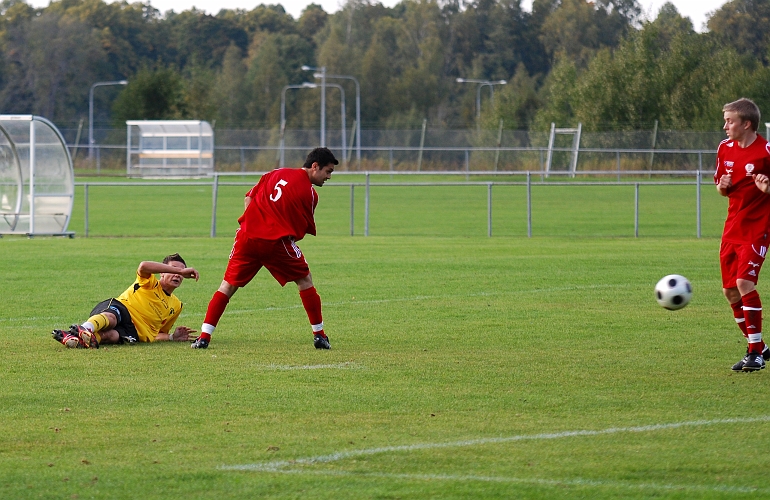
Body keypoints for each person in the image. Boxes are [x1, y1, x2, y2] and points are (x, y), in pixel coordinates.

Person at [191, 147, 338, 350]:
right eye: (328, 171)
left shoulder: (275, 173)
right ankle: (319, 335)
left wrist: (254, 224)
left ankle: (204, 337)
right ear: (315, 166)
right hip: (275, 242)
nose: (329, 177)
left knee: (227, 285)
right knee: (304, 280)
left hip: (246, 237)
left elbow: (248, 198)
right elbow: (300, 229)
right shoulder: (310, 194)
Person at [715, 98, 770, 372]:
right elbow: (721, 187)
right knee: (729, 292)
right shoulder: (724, 148)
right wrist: (722, 187)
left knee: (744, 284)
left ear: (746, 124)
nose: (725, 126)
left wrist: (767, 190)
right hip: (732, 227)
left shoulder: (767, 151)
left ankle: (754, 354)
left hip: (758, 228)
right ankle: (758, 346)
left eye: (730, 121)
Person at [52, 254, 200, 348]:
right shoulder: (150, 282)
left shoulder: (176, 305)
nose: (178, 275)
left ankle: (73, 339)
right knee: (112, 318)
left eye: (181, 272)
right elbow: (143, 266)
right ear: (162, 272)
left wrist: (172, 337)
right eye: (173, 270)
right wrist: (180, 270)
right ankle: (85, 328)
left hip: (134, 331)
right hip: (122, 309)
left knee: (110, 336)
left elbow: (156, 334)